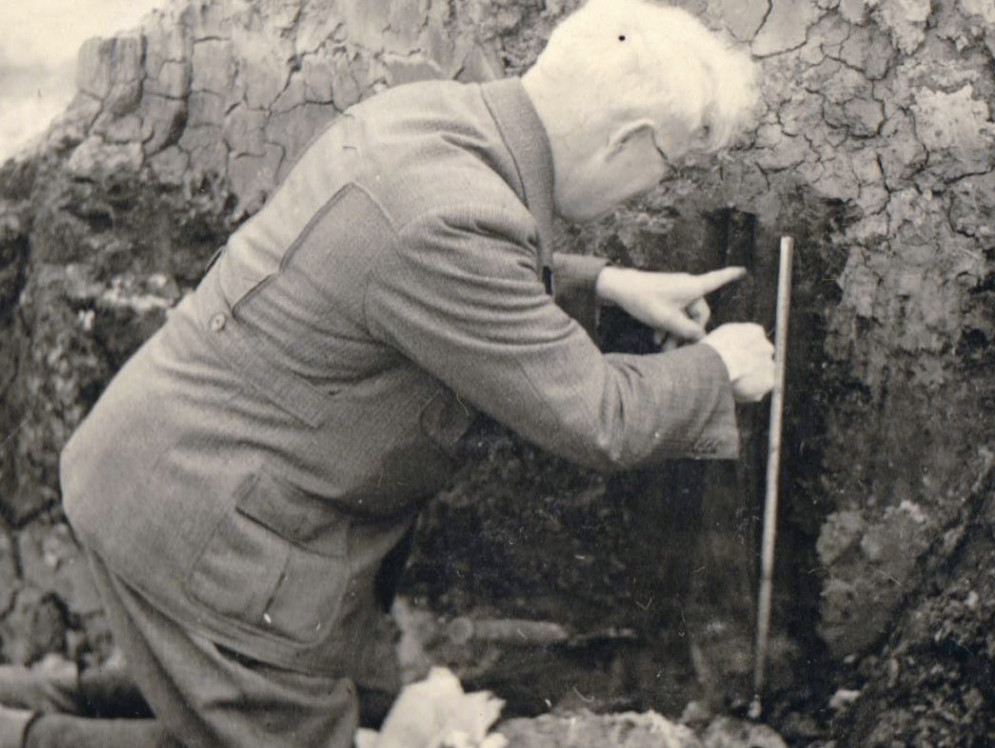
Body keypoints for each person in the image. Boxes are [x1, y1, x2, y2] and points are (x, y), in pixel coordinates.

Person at [0, 0, 772, 745]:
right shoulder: (456, 220)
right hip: (217, 542)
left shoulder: (435, 118)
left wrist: (605, 282)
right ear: (628, 140)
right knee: (275, 725)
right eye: (666, 165)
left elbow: (421, 274)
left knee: (222, 700)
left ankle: (24, 711)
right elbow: (597, 415)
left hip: (174, 482)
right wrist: (717, 368)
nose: (655, 187)